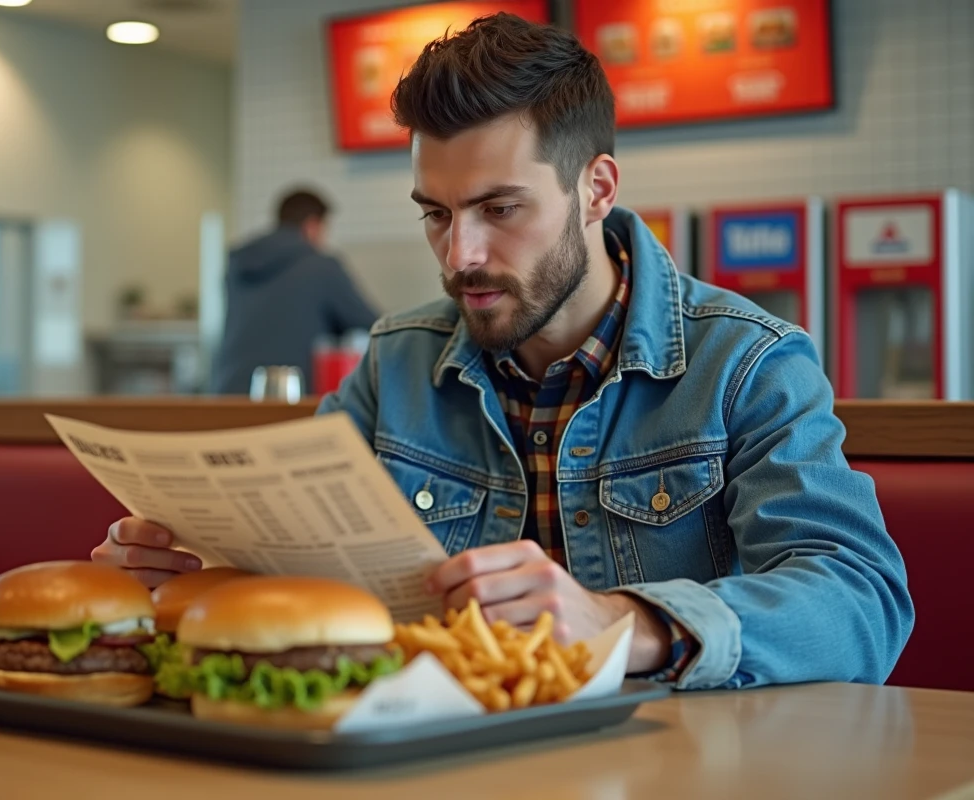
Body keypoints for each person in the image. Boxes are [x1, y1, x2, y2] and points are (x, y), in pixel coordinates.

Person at [94, 14, 913, 690]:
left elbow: (860, 602)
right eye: (437, 215)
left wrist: (625, 623)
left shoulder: (748, 362)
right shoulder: (396, 362)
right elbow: (303, 563)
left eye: (498, 208)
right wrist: (198, 575)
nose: (460, 257)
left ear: (596, 190)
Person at [208, 187, 379, 396]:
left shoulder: (238, 265)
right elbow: (367, 322)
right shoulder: (321, 266)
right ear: (312, 225)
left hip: (226, 393)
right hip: (287, 396)